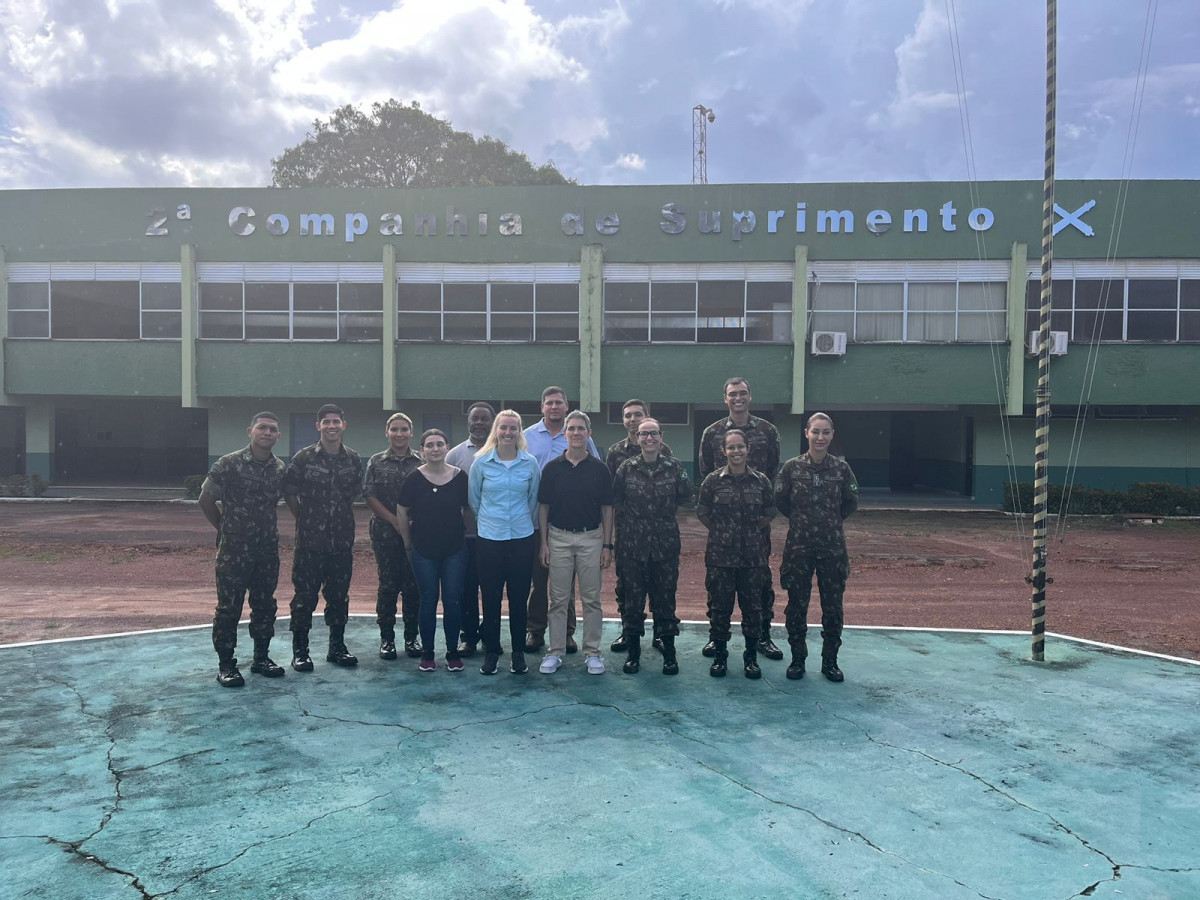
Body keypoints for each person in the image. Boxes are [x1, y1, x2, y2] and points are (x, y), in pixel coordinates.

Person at [198, 411, 288, 687]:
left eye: (273, 429)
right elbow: (206, 500)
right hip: (234, 550)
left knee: (264, 605)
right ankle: (226, 664)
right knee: (229, 608)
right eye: (262, 428)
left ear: (278, 436)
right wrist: (225, 530)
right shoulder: (229, 464)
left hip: (266, 550)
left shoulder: (279, 469)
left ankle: (261, 659)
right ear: (250, 431)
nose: (267, 433)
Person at [698, 376, 782, 661]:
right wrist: (722, 526)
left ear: (750, 396)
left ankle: (763, 637)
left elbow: (771, 471)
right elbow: (706, 476)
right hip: (723, 529)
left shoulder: (768, 431)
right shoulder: (712, 433)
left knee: (758, 584)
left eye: (743, 393)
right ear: (725, 398)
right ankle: (716, 639)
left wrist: (752, 525)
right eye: (733, 394)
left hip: (755, 526)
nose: (738, 398)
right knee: (718, 589)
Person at [774, 412, 859, 682]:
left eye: (826, 432)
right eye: (815, 432)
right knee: (797, 606)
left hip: (832, 549)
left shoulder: (841, 469)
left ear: (832, 435)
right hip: (799, 548)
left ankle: (830, 662)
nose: (820, 437)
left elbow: (850, 502)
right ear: (806, 434)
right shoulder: (791, 468)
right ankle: (798, 660)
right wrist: (804, 523)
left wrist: (828, 523)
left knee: (833, 607)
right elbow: (781, 501)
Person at [284, 403, 364, 671]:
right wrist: (306, 519)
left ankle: (337, 648)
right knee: (305, 597)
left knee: (339, 597)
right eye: (326, 422)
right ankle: (301, 651)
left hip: (341, 542)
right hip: (310, 543)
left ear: (344, 425)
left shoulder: (353, 459)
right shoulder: (303, 458)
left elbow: (353, 493)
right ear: (318, 426)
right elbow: (290, 492)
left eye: (336, 421)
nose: (331, 426)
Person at [522, 385, 600, 654]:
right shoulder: (527, 436)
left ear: (567, 406)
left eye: (559, 402)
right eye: (549, 403)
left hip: (566, 524)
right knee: (538, 580)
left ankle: (566, 633)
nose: (554, 406)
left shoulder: (581, 437)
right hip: (533, 522)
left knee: (563, 584)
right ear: (541, 407)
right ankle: (535, 630)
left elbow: (594, 475)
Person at [611, 418, 691, 675]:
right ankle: (634, 653)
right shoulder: (626, 468)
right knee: (633, 600)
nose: (648, 438)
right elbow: (617, 502)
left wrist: (660, 519)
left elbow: (685, 499)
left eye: (653, 434)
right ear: (636, 438)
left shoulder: (674, 467)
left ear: (661, 436)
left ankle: (669, 652)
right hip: (633, 545)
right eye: (643, 434)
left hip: (665, 545)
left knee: (665, 598)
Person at [537, 410, 613, 676]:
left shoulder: (600, 470)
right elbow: (543, 507)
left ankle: (592, 653)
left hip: (591, 538)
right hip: (558, 538)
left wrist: (607, 545)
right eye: (571, 428)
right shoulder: (552, 469)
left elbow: (607, 509)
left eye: (581, 428)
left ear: (589, 434)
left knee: (591, 599)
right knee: (558, 599)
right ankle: (555, 651)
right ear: (565, 434)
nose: (576, 433)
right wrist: (544, 543)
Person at [696, 429, 776, 679]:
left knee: (753, 609)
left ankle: (750, 658)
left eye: (740, 446)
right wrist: (724, 533)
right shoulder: (712, 481)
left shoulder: (761, 481)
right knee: (720, 609)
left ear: (748, 449)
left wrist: (748, 532)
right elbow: (703, 512)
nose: (736, 451)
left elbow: (769, 512)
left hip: (752, 558)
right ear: (724, 451)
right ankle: (720, 657)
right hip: (720, 557)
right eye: (731, 447)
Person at [468, 410, 541, 676]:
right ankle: (491, 654)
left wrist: (516, 522)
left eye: (513, 428)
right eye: (503, 428)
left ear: (519, 431)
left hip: (521, 539)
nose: (508, 433)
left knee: (519, 598)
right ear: (495, 431)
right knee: (491, 598)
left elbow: (532, 500)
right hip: (489, 540)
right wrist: (492, 522)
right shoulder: (481, 463)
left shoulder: (530, 463)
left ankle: (518, 654)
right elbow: (474, 501)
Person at [396, 429, 472, 673]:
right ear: (422, 450)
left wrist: (461, 530)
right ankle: (428, 653)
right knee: (428, 601)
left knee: (452, 600)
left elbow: (469, 509)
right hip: (423, 551)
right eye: (430, 445)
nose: (435, 448)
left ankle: (452, 652)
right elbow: (402, 510)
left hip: (454, 551)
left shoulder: (461, 478)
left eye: (440, 443)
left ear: (447, 446)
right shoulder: (413, 479)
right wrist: (408, 542)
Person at [604, 399, 672, 654]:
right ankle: (628, 631)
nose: (633, 419)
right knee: (628, 586)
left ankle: (660, 635)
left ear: (646, 417)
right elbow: (612, 497)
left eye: (638, 415)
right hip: (628, 533)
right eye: (628, 415)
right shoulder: (615, 453)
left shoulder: (664, 450)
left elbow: (675, 494)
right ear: (623, 420)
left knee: (660, 585)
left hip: (660, 534)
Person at [363, 413, 423, 660]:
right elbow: (369, 495)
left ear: (411, 432)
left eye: (404, 429)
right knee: (388, 586)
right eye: (395, 429)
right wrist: (394, 521)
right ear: (387, 432)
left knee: (413, 586)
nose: (399, 434)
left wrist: (412, 521)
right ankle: (387, 639)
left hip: (417, 531)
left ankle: (412, 637)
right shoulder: (376, 462)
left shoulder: (421, 461)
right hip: (385, 531)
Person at [446, 401, 495, 656]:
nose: (479, 423)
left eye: (485, 419)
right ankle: (469, 637)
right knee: (466, 589)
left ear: (492, 422)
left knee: (491, 587)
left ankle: (490, 635)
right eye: (475, 418)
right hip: (464, 537)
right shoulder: (454, 455)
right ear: (468, 422)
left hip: (494, 536)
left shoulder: (502, 451)